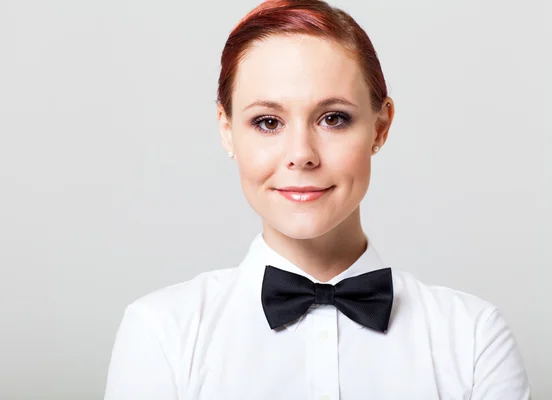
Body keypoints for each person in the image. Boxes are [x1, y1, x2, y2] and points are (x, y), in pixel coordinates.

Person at [104, 0, 531, 398]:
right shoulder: (161, 332)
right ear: (227, 129)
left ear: (380, 128)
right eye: (268, 122)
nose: (302, 155)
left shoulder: (473, 336)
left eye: (333, 118)